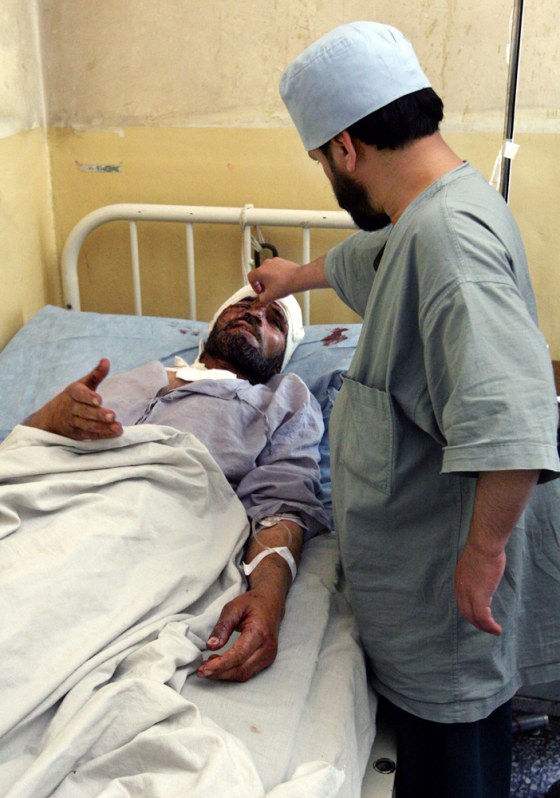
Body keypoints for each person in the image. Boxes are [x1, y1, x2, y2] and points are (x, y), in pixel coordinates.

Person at [247, 21, 560, 798]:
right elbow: (369, 259)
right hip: (422, 588)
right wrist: (293, 277)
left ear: (345, 148)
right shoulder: (433, 212)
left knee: (456, 771)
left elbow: (517, 420)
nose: (329, 174)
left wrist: (482, 554)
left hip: (445, 596)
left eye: (323, 161)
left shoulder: (448, 242)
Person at [24, 285, 329, 685]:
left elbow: (282, 507)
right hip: (47, 497)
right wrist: (50, 418)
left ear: (282, 355)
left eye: (275, 320)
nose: (255, 314)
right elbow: (24, 451)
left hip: (154, 521)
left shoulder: (283, 399)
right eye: (244, 304)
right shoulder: (128, 379)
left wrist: (269, 597)